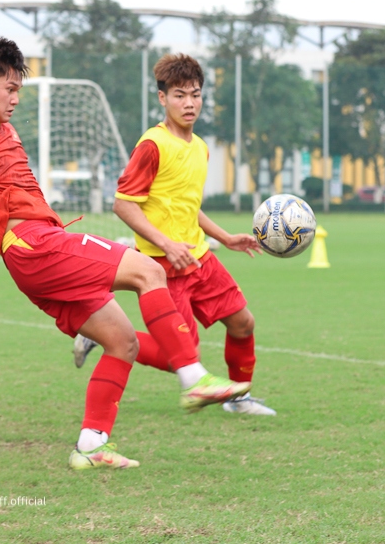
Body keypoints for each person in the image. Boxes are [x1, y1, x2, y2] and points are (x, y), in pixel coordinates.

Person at [0, 33, 251, 470]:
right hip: (35, 246)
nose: (17, 98)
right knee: (147, 273)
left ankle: (91, 445)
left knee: (121, 341)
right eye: (11, 88)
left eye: (20, 89)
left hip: (35, 256)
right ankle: (193, 378)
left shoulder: (2, 129)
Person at [74, 53, 276, 416]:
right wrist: (166, 243)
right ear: (162, 98)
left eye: (195, 94)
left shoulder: (199, 147)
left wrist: (226, 237)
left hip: (200, 257)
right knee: (181, 357)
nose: (189, 103)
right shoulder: (153, 145)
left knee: (243, 322)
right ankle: (98, 336)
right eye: (180, 95)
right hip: (162, 267)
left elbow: (187, 205)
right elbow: (124, 204)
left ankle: (239, 399)